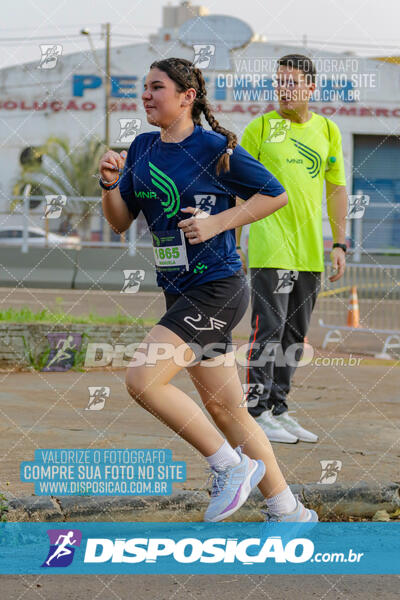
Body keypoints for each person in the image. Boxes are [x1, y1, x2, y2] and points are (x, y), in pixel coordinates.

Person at [99, 57, 317, 523]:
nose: (146, 95)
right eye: (144, 88)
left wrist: (219, 220)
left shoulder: (215, 147)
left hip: (217, 287)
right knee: (228, 411)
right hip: (178, 290)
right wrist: (108, 185)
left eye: (156, 87)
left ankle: (229, 466)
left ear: (186, 96)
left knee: (143, 379)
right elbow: (120, 222)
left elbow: (275, 193)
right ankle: (289, 509)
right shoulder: (141, 148)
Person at [237, 54, 348, 444]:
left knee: (295, 336)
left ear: (311, 87)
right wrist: (235, 242)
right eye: (279, 82)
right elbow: (240, 189)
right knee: (267, 330)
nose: (283, 89)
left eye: (292, 82)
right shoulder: (261, 129)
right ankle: (254, 411)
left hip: (308, 252)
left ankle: (277, 408)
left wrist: (339, 242)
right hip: (270, 247)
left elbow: (335, 189)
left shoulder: (328, 131)